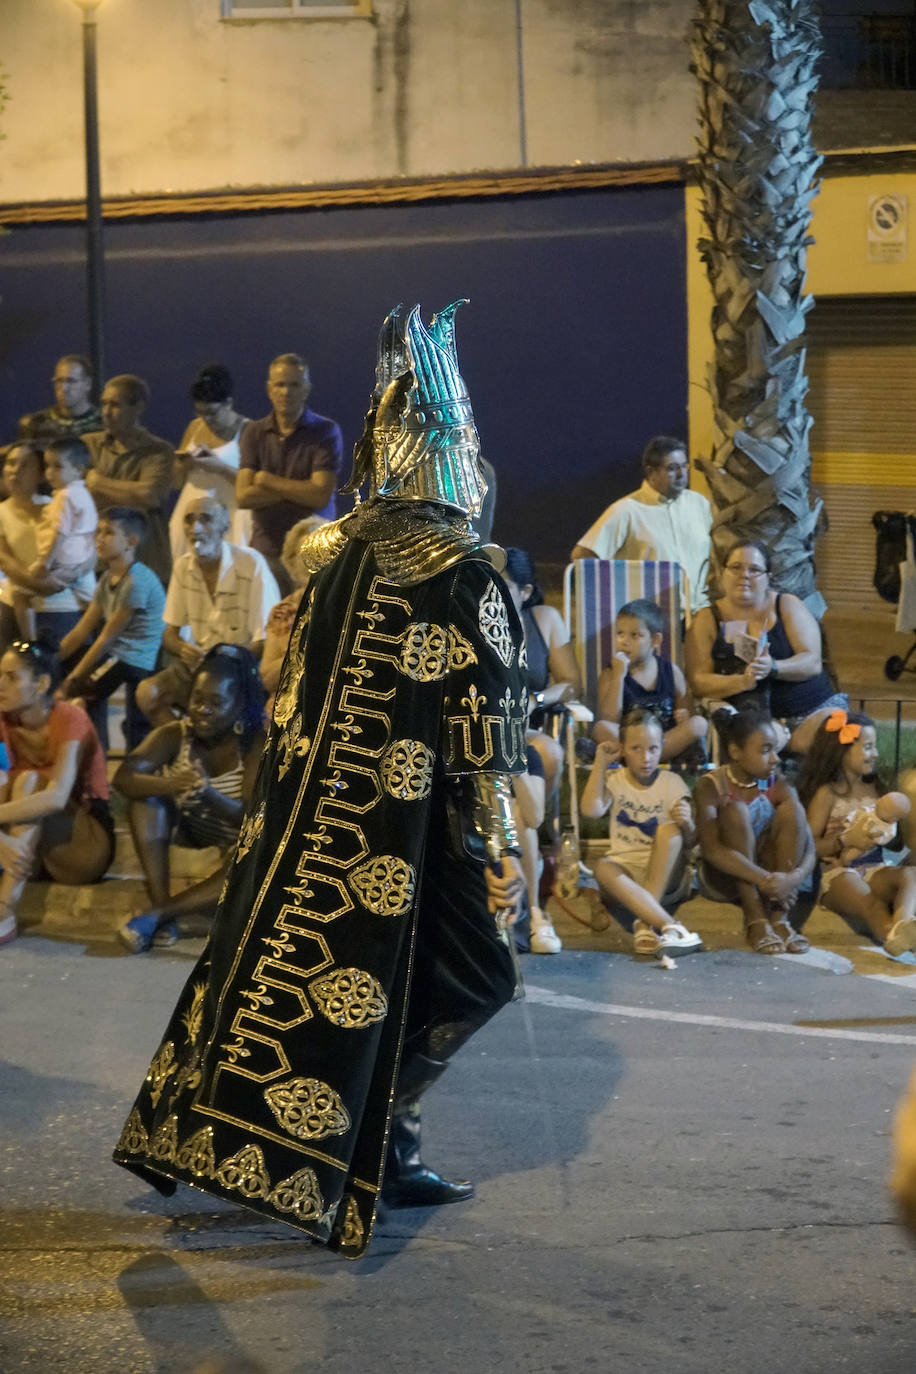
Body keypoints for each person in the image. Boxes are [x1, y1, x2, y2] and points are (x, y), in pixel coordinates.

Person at [114, 300, 527, 1258]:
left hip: (316, 823)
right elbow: (486, 715)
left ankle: (385, 1140)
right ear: (455, 449)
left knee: (321, 972)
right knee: (478, 976)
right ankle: (384, 1135)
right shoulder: (464, 566)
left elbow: (290, 682)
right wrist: (497, 832)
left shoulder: (332, 553)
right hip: (404, 828)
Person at [115, 646, 267, 953]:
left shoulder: (253, 744)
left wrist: (208, 794)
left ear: (238, 705)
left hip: (233, 844)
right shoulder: (175, 734)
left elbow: (250, 818)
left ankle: (157, 915)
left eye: (216, 702)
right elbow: (124, 778)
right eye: (197, 699)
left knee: (255, 856)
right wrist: (168, 783)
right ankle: (160, 907)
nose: (202, 710)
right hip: (190, 834)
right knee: (146, 801)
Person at [0, 639, 114, 947]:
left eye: (11, 677)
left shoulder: (69, 717)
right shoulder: (2, 720)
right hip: (30, 854)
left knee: (30, 783)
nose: (0, 684)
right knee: (15, 781)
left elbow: (57, 797)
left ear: (42, 684)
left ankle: (4, 910)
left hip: (82, 848)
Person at [685, 538, 847, 753]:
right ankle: (780, 748)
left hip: (812, 709)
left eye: (755, 569)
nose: (745, 575)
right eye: (736, 567)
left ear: (768, 577)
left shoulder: (787, 605)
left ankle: (791, 747)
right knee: (758, 739)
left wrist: (774, 667)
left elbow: (813, 662)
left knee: (836, 733)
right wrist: (741, 681)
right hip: (753, 721)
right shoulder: (707, 619)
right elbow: (698, 680)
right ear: (722, 573)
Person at [136, 496, 279, 730]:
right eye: (189, 520)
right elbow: (170, 634)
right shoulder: (183, 566)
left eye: (206, 519)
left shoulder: (250, 564)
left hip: (241, 666)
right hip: (200, 665)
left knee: (214, 700)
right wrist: (182, 648)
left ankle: (206, 751)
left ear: (225, 528)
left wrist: (224, 660)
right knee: (147, 693)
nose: (196, 528)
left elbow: (264, 639)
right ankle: (189, 749)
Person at [580, 708, 702, 957]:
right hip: (626, 875)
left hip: (665, 873)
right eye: (636, 749)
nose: (646, 757)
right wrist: (601, 763)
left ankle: (652, 923)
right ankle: (662, 925)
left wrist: (687, 823)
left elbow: (690, 842)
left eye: (653, 749)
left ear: (662, 747)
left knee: (670, 832)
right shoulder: (615, 779)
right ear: (623, 748)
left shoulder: (672, 783)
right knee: (602, 868)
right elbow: (590, 810)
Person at [694, 708, 815, 954]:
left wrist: (790, 881)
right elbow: (712, 850)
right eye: (765, 750)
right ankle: (755, 919)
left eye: (775, 749)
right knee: (735, 810)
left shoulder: (773, 781)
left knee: (794, 811)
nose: (775, 758)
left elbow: (810, 846)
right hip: (726, 878)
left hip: (775, 885)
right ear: (736, 752)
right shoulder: (711, 786)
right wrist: (764, 880)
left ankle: (780, 919)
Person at [799, 710, 916, 957]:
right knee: (869, 901)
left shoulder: (876, 788)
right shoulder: (827, 793)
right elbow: (807, 845)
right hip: (835, 874)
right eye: (868, 747)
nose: (875, 754)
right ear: (841, 752)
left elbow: (893, 844)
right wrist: (844, 841)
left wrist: (889, 825)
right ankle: (890, 933)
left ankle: (904, 925)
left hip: (874, 868)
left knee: (910, 875)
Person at [58, 507, 165, 751]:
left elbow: (106, 638)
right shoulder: (108, 578)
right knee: (72, 677)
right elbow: (83, 629)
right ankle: (98, 753)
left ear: (131, 542)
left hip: (138, 659)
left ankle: (118, 766)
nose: (99, 538)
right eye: (98, 532)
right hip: (119, 654)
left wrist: (72, 680)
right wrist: (53, 658)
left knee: (81, 690)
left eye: (108, 532)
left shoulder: (136, 582)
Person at [237, 353, 342, 592]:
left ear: (306, 389)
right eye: (280, 384)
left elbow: (319, 497)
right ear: (269, 388)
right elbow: (242, 496)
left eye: (294, 384)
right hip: (266, 552)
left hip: (312, 552)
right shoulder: (253, 432)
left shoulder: (325, 432)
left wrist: (266, 480)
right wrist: (299, 489)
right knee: (271, 624)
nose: (286, 392)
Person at [571, 436, 712, 615]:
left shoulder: (699, 504)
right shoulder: (626, 510)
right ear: (651, 472)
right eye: (672, 468)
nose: (681, 474)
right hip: (652, 620)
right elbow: (582, 555)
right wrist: (614, 595)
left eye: (684, 466)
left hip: (700, 614)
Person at [502, 546, 582, 802]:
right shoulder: (474, 621)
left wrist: (536, 699)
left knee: (551, 754)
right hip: (478, 727)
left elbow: (571, 683)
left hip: (522, 729)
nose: (494, 595)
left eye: (504, 587)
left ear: (525, 592)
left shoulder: (544, 620)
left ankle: (536, 833)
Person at [0, 442, 95, 653]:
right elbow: (5, 561)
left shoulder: (61, 505)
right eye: (11, 463)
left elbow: (91, 549)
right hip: (16, 608)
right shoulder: (2, 513)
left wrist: (67, 576)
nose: (15, 470)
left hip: (64, 608)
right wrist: (40, 585)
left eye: (25, 465)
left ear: (41, 474)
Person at [83, 374, 174, 586]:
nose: (106, 412)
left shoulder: (158, 451)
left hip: (146, 562)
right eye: (103, 404)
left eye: (115, 405)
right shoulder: (89, 445)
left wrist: (98, 483)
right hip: (99, 564)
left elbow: (149, 496)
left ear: (138, 407)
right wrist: (131, 495)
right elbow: (83, 497)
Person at [593, 598, 708, 763]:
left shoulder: (670, 672)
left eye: (635, 635)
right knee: (601, 728)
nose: (625, 641)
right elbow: (610, 719)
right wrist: (619, 677)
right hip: (630, 742)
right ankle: (650, 756)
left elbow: (687, 712)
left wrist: (684, 716)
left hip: (663, 740)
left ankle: (646, 756)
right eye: (620, 633)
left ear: (655, 640)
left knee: (699, 723)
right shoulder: (610, 674)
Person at [169, 364, 251, 559]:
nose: (206, 419)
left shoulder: (249, 430)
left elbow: (253, 486)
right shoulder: (195, 427)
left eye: (212, 413)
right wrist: (183, 464)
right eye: (200, 412)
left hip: (229, 517)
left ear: (228, 403)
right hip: (190, 512)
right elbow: (176, 482)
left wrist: (220, 468)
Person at [258, 514, 327, 707]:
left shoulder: (343, 605)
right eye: (303, 552)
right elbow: (268, 679)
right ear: (291, 561)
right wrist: (307, 653)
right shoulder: (282, 612)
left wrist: (288, 660)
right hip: (285, 702)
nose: (310, 559)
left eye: (318, 550)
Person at [17, 354, 102, 442]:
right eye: (59, 381)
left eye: (71, 381)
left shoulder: (103, 424)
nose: (64, 388)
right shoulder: (36, 424)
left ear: (88, 384)